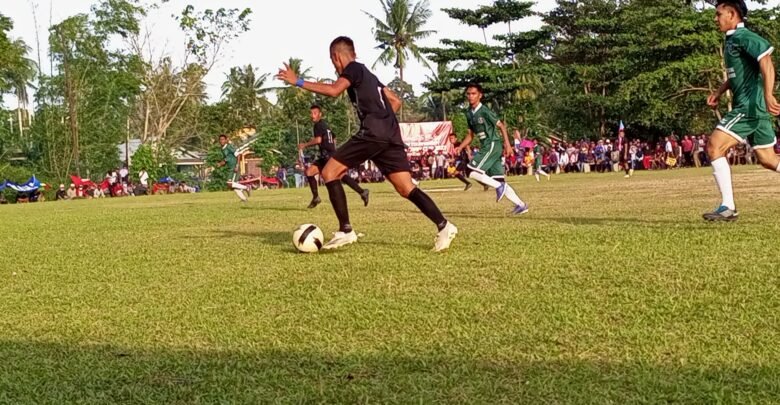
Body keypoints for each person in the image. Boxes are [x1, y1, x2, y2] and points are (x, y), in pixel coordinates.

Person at [276, 36, 457, 251]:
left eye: (333, 61)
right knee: (405, 188)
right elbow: (395, 101)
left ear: (336, 57)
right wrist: (384, 121)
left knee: (330, 172)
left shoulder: (352, 68)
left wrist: (298, 81)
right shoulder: (371, 76)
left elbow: (334, 91)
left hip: (373, 133)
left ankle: (345, 230)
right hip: (390, 135)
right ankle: (444, 226)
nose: (335, 66)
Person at [704, 0, 780, 221]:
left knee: (714, 147)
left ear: (732, 13)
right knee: (768, 159)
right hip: (753, 108)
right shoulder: (731, 41)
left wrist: (768, 94)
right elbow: (738, 75)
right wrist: (719, 92)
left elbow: (766, 62)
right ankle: (727, 206)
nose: (715, 18)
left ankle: (727, 206)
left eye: (718, 14)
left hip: (748, 107)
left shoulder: (743, 36)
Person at [454, 83, 529, 214]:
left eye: (473, 94)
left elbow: (501, 126)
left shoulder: (485, 111)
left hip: (492, 144)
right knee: (498, 178)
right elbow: (470, 135)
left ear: (480, 95)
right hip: (487, 145)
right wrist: (460, 146)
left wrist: (507, 144)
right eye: (468, 94)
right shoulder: (469, 113)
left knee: (470, 170)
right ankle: (521, 205)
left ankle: (499, 187)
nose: (470, 96)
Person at [298, 104, 369, 209]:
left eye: (315, 113)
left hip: (328, 155)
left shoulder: (318, 125)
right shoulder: (325, 125)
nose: (312, 115)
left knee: (340, 175)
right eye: (311, 113)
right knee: (309, 172)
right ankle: (316, 197)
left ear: (320, 114)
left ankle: (362, 191)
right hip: (327, 155)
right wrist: (332, 148)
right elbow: (334, 137)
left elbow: (318, 140)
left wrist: (304, 145)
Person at [217, 134, 250, 202]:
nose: (221, 141)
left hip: (234, 168)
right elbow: (227, 159)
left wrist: (237, 165)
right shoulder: (222, 149)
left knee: (229, 184)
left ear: (226, 140)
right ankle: (244, 199)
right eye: (220, 139)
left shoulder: (229, 147)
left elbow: (238, 155)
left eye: (223, 139)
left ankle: (246, 187)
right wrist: (220, 163)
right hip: (230, 168)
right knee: (232, 186)